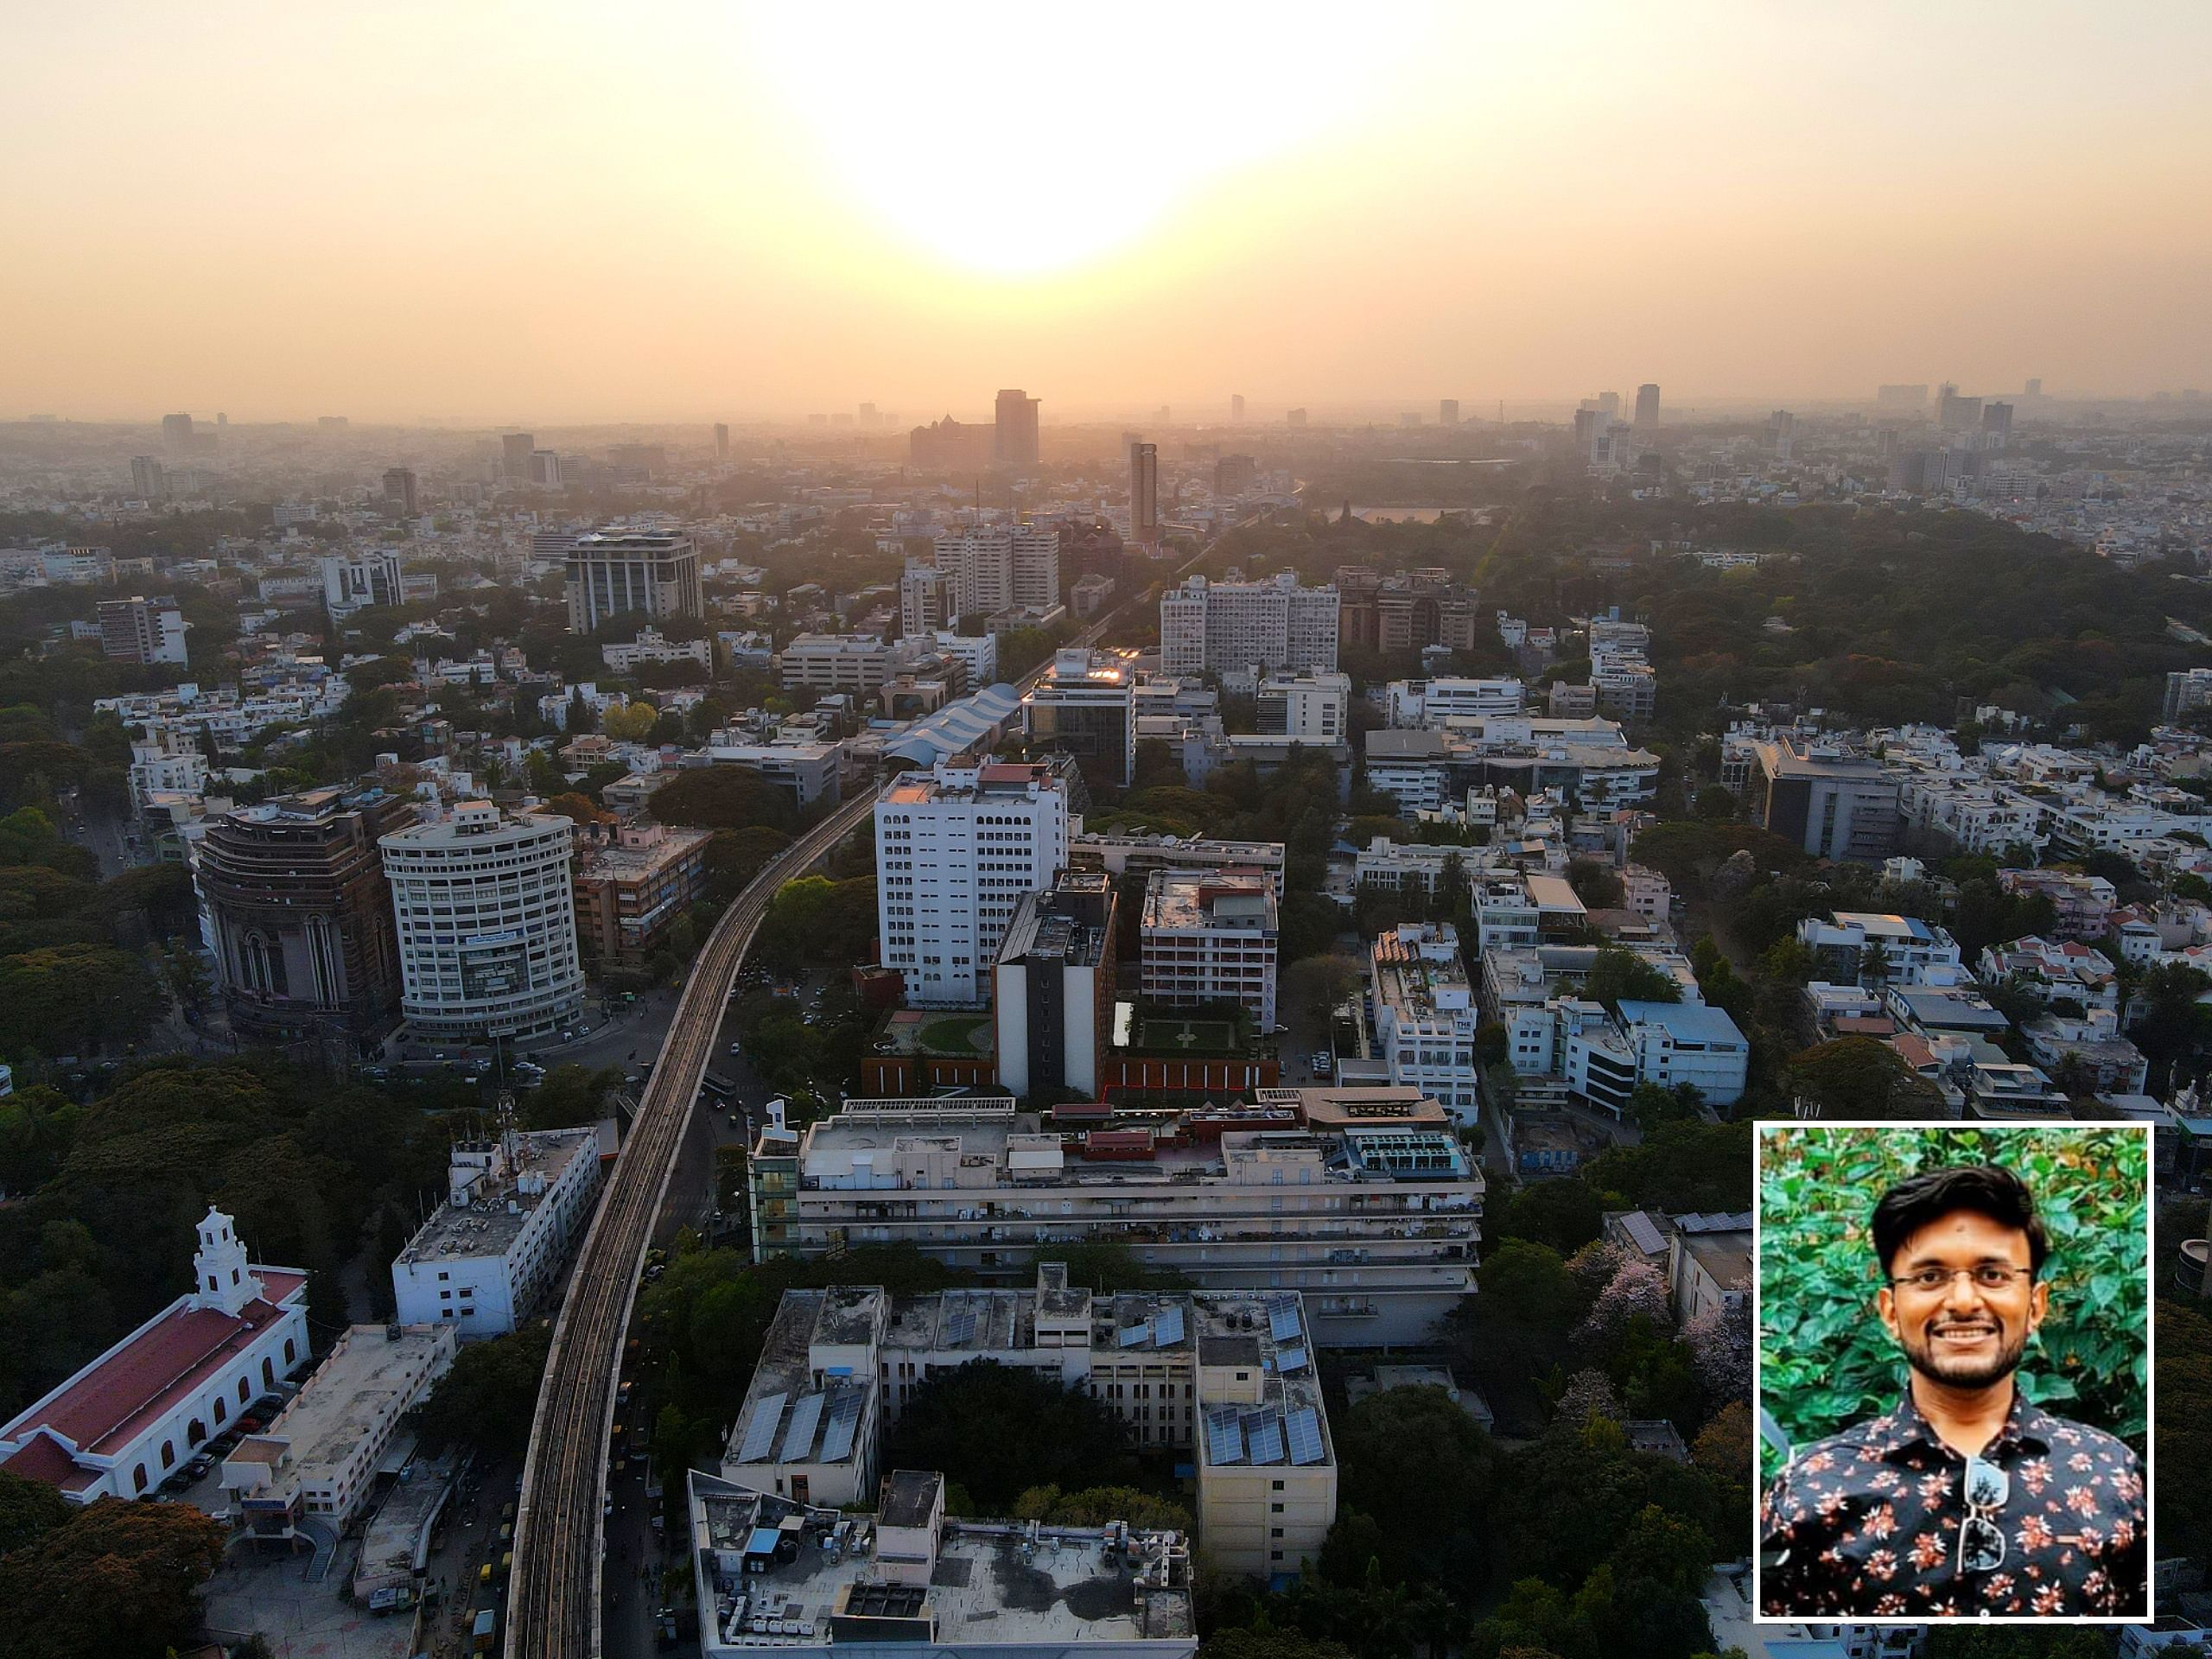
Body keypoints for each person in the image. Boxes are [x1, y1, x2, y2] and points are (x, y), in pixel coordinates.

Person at [1761, 1163, 2144, 1618]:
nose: (1963, 1302)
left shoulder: (2114, 1476)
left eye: (1994, 1275)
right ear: (1890, 1310)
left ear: (2037, 1305)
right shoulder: (1810, 1487)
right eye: (1929, 1277)